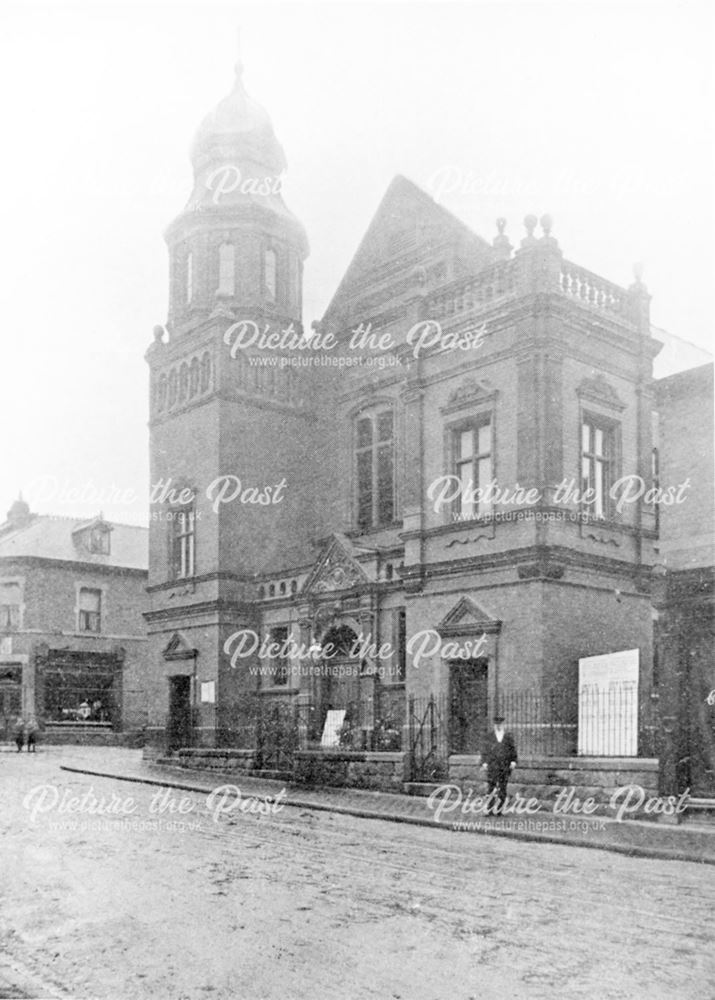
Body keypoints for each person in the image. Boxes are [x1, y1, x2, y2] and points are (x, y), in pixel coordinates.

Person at [481, 714, 517, 815]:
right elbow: (485, 750)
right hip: (492, 765)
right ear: (494, 725)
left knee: (503, 787)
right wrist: (484, 762)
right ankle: (489, 809)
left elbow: (513, 750)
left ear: (503, 724)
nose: (498, 726)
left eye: (500, 724)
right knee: (491, 787)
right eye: (496, 724)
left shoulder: (508, 737)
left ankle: (500, 809)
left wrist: (513, 761)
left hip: (504, 766)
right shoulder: (489, 736)